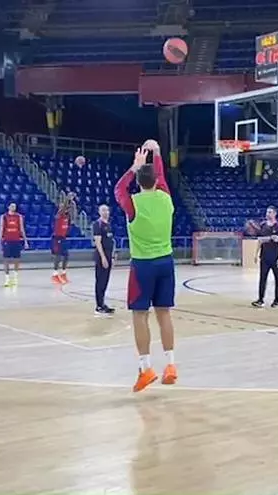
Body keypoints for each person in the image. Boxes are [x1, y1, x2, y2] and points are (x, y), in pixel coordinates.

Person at [114, 139, 177, 392]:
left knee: (140, 315)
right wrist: (158, 152)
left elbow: (119, 190)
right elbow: (160, 178)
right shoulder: (166, 198)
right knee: (164, 313)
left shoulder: (133, 204)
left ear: (139, 182)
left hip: (143, 266)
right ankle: (171, 365)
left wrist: (133, 167)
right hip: (166, 262)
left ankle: (146, 368)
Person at [251, 206, 278, 309]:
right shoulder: (263, 225)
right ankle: (260, 299)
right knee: (262, 278)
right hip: (265, 257)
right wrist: (256, 254)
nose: (267, 214)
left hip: (275, 257)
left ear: (274, 214)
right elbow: (259, 240)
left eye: (270, 212)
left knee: (277, 279)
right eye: (267, 212)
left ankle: (277, 300)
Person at [92, 204, 116, 316]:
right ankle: (99, 305)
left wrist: (111, 257)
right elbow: (98, 242)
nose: (105, 212)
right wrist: (103, 258)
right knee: (100, 281)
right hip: (101, 257)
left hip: (108, 255)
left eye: (107, 210)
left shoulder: (109, 225)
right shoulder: (97, 224)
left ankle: (102, 303)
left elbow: (111, 242)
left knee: (105, 281)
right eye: (103, 210)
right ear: (99, 212)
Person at [0, 203, 28, 287]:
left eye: (15, 206)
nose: (13, 207)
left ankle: (15, 277)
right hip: (7, 240)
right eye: (11, 206)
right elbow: (1, 229)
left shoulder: (19, 217)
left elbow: (22, 229)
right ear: (8, 207)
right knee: (6, 260)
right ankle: (7, 279)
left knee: (17, 259)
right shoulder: (3, 217)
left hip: (16, 240)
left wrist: (25, 241)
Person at [51, 192, 77, 284]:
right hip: (56, 238)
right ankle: (54, 274)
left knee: (66, 256)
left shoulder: (67, 216)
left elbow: (74, 216)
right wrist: (68, 198)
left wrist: (73, 205)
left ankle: (63, 273)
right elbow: (64, 207)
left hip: (63, 238)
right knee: (58, 256)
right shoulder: (59, 215)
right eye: (62, 206)